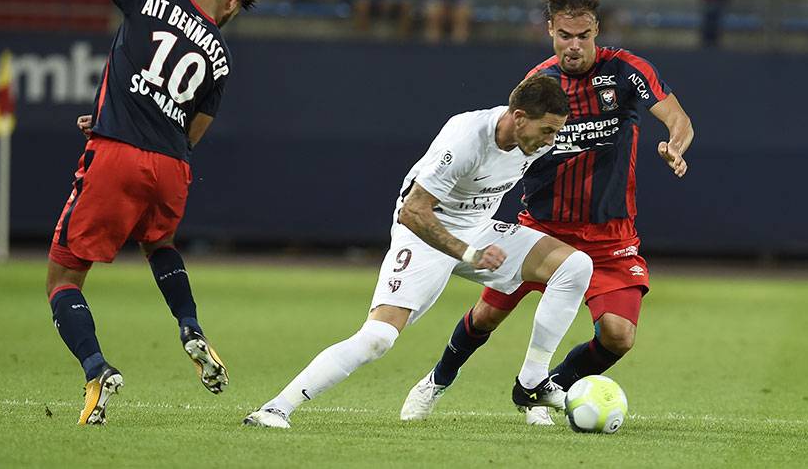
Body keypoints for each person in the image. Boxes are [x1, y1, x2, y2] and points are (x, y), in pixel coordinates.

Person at [401, 0, 693, 425]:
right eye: (564, 35)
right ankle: (436, 381)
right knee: (485, 317)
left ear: (596, 30)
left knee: (618, 336)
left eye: (583, 35)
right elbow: (504, 147)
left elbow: (678, 117)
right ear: (550, 31)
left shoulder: (627, 71)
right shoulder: (538, 87)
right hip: (542, 228)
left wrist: (675, 144)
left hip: (609, 233)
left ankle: (540, 389)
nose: (574, 45)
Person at [243, 74, 592, 429]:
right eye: (547, 130)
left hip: (478, 229)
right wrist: (469, 254)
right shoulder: (466, 139)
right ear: (518, 118)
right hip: (425, 231)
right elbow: (413, 211)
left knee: (575, 267)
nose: (551, 140)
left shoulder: (536, 139)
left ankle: (532, 382)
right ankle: (274, 409)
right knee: (377, 339)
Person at [49, 0, 261, 425]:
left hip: (118, 155)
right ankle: (190, 326)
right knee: (158, 244)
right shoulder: (221, 57)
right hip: (169, 167)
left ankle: (96, 368)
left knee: (63, 277)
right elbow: (191, 134)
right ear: (231, 4)